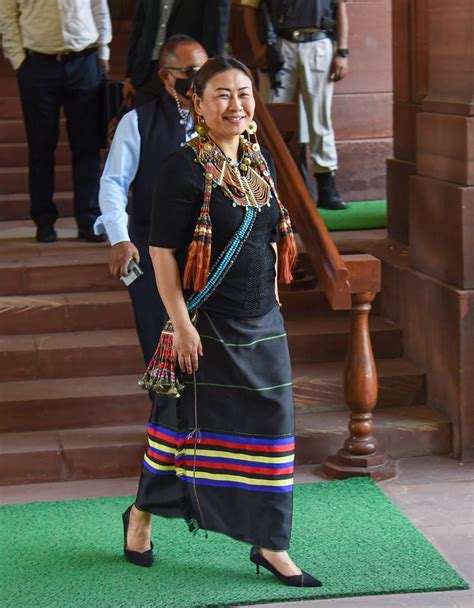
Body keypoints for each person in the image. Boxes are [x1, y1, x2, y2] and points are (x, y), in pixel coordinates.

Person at [122, 56, 322, 588]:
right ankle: (140, 515)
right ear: (198, 103)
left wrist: (273, 296)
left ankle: (271, 543)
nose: (236, 105)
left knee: (275, 433)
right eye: (222, 95)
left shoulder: (260, 162)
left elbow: (266, 238)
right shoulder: (181, 168)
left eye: (244, 93)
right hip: (205, 325)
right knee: (179, 431)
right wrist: (181, 324)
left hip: (264, 322)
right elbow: (162, 253)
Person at [94, 35, 208, 368]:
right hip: (151, 247)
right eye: (190, 71)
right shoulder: (138, 122)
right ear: (166, 77)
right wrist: (120, 238)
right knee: (161, 344)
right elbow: (113, 182)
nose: (198, 80)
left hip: (210, 249)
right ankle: (166, 417)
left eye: (204, 71)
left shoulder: (224, 120)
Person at [0, 0, 112, 243]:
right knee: (41, 146)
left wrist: (103, 52)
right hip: (38, 65)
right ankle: (44, 221)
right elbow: (7, 15)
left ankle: (89, 219)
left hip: (84, 60)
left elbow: (98, 6)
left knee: (88, 146)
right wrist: (19, 60)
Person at [264, 0, 350, 210]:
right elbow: (256, 8)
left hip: (318, 43)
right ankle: (272, 185)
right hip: (282, 46)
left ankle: (326, 185)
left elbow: (340, 8)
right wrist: (261, 50)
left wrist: (342, 52)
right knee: (276, 119)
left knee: (319, 119)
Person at [123, 0, 231, 106]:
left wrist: (208, 80)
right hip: (146, 73)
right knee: (141, 121)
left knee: (184, 122)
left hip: (186, 75)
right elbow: (138, 27)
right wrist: (130, 75)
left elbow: (215, 37)